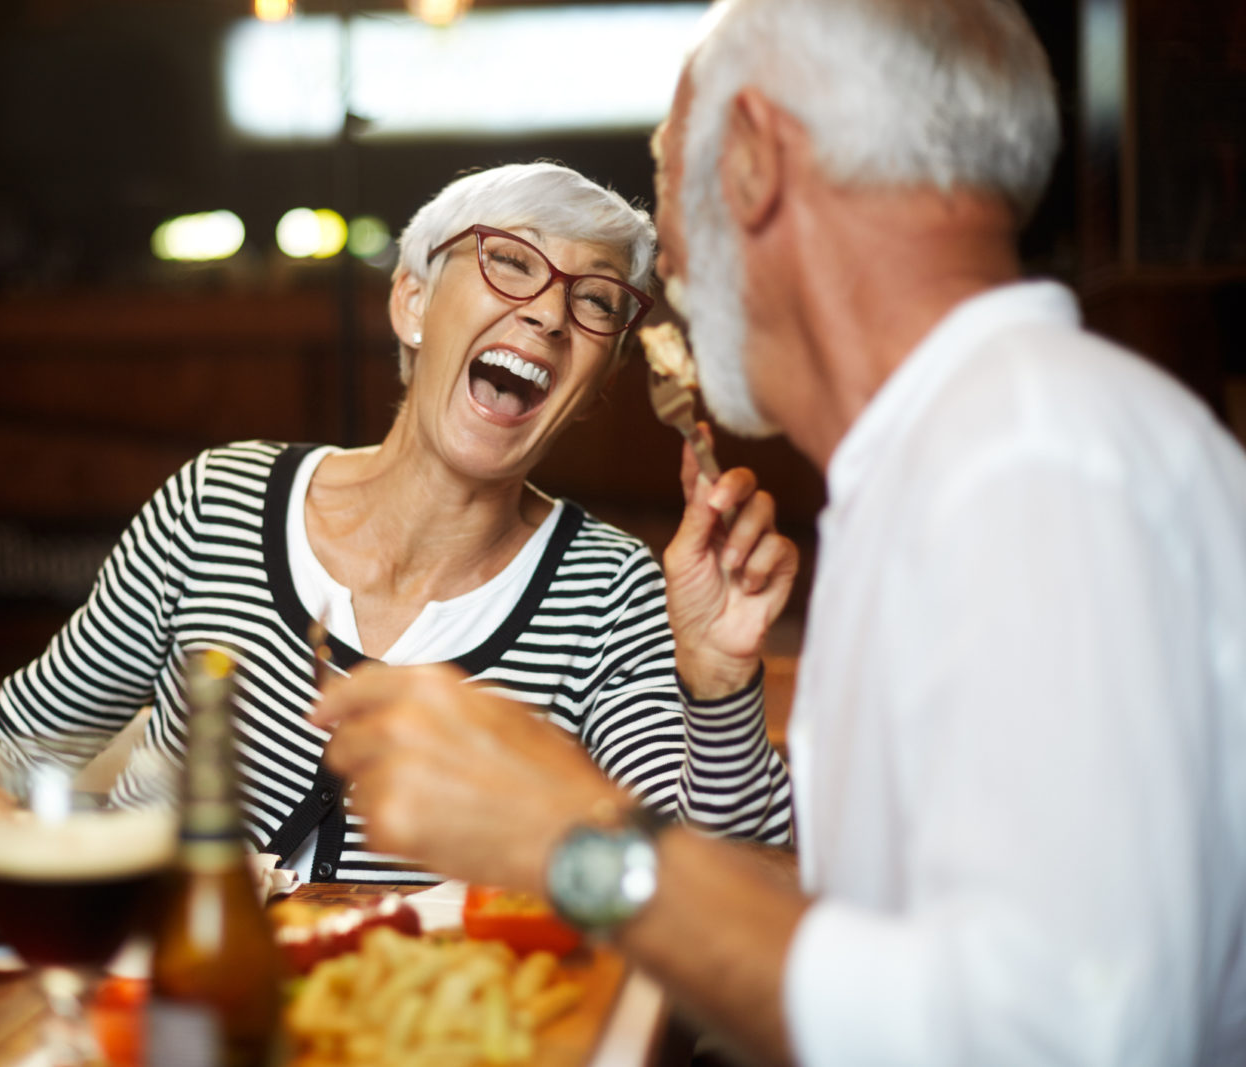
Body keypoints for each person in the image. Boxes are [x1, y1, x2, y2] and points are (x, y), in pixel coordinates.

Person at [311, 0, 1246, 1063]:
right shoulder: (956, 459)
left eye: (665, 180)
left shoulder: (1030, 465)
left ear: (752, 160)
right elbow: (877, 950)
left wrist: (571, 836)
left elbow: (1058, 1036)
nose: (660, 271)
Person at [0, 162, 799, 883]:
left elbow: (717, 881)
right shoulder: (216, 505)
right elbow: (14, 738)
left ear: (596, 373)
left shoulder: (611, 589)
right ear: (410, 300)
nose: (545, 314)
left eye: (592, 301)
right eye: (507, 266)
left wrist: (719, 681)